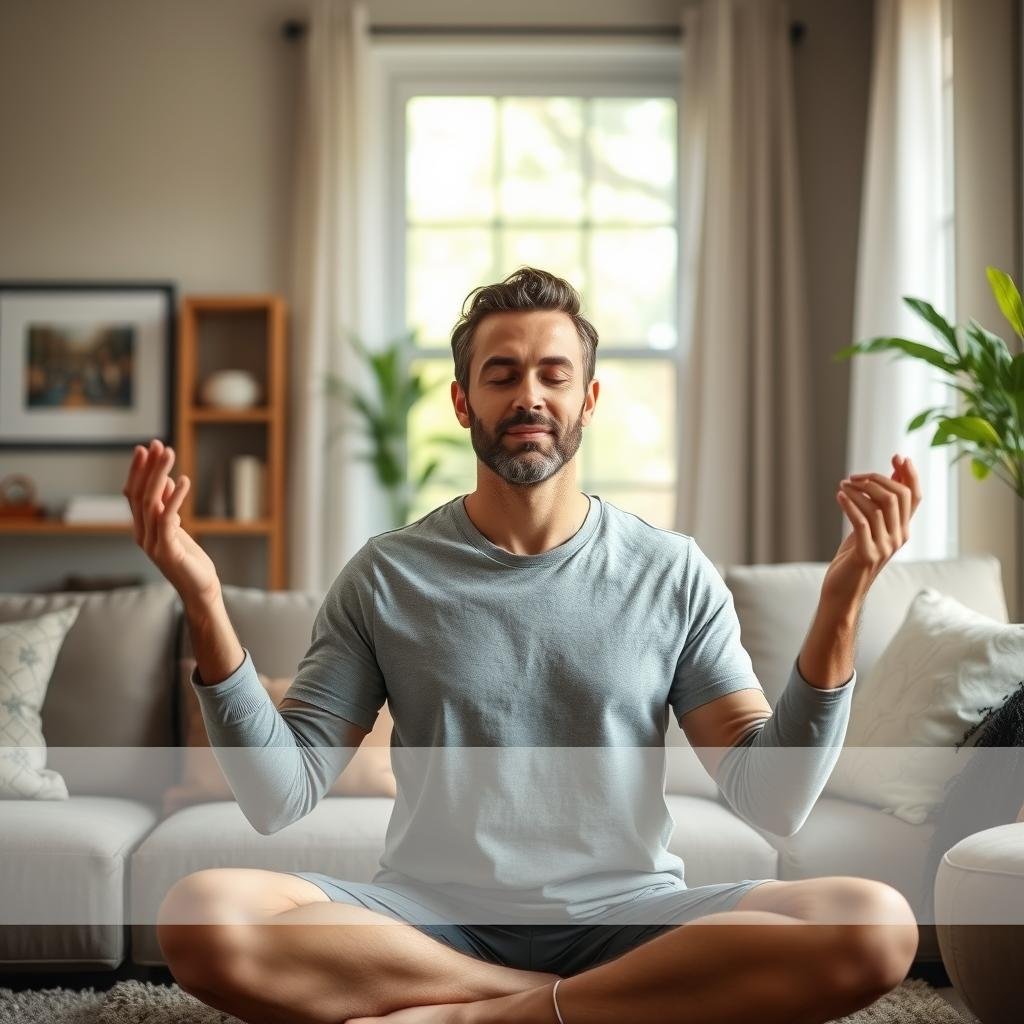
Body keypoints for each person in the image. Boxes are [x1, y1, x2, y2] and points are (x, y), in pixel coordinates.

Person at [125, 267, 922, 1024]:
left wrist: (842, 602)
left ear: (590, 397)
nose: (529, 395)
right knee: (205, 914)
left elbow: (770, 798)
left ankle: (490, 1012)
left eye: (553, 373)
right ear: (463, 401)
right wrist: (203, 600)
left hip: (630, 916)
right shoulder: (386, 575)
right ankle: (575, 1005)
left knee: (873, 923)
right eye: (502, 374)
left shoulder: (671, 572)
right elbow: (278, 795)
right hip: (429, 922)